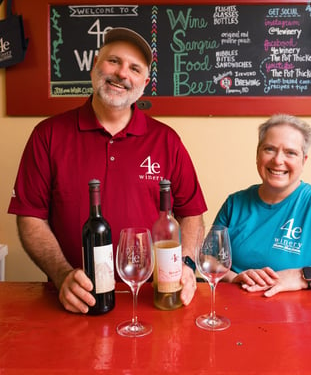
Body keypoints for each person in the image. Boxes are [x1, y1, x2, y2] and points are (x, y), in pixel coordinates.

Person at [8, 27, 207, 313]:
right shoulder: (47, 135)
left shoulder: (167, 140)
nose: (122, 73)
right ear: (94, 66)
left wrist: (186, 266)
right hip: (75, 301)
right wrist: (62, 274)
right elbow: (30, 217)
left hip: (153, 300)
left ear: (145, 82)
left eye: (134, 68)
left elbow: (191, 213)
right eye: (114, 61)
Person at [214, 114, 311, 296]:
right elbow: (210, 260)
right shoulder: (234, 203)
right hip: (233, 312)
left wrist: (300, 276)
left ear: (303, 160)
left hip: (298, 319)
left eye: (290, 152)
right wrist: (234, 277)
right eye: (269, 149)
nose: (278, 160)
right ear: (258, 154)